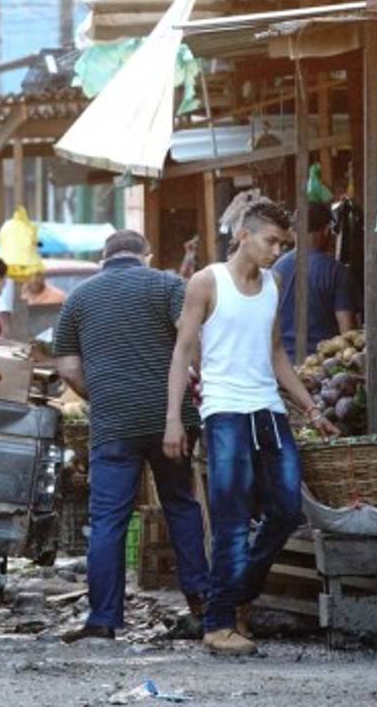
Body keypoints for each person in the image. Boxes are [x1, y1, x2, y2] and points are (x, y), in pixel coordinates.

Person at [165, 197, 340, 656]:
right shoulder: (206, 282)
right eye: (270, 241)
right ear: (243, 235)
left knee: (286, 508)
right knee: (230, 517)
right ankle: (219, 623)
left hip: (268, 408)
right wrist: (173, 420)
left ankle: (238, 593)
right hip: (223, 411)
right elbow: (183, 352)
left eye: (282, 243)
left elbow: (276, 354)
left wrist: (312, 409)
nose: (275, 250)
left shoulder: (274, 283)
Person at [53, 230, 208, 643]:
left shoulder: (78, 299)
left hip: (113, 423)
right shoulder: (167, 285)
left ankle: (103, 620)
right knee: (181, 506)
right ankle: (202, 608)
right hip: (171, 418)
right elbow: (191, 341)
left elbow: (67, 367)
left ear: (104, 257)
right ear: (146, 255)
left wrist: (100, 394)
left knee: (107, 520)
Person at [273, 201, 356, 361]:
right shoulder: (336, 271)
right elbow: (347, 331)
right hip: (321, 366)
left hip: (282, 364)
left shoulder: (276, 268)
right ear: (326, 230)